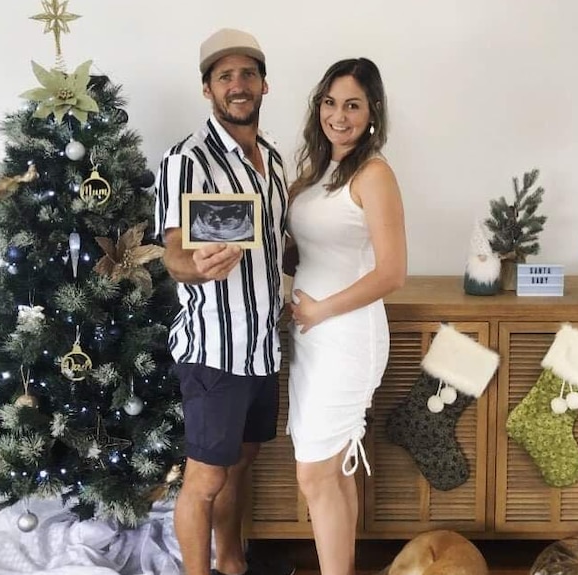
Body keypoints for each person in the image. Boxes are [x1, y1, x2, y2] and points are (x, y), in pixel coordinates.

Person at [154, 27, 292, 575]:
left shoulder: (275, 162)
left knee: (239, 465)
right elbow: (172, 252)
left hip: (262, 348)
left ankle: (232, 565)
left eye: (248, 73)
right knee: (206, 478)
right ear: (208, 89)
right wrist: (196, 266)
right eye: (225, 76)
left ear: (264, 84)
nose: (238, 85)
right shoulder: (186, 159)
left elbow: (279, 246)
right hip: (215, 349)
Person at [286, 58, 407, 575]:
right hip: (311, 337)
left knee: (315, 473)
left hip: (346, 336)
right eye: (331, 102)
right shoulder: (317, 173)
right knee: (332, 472)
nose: (340, 115)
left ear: (372, 112)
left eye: (353, 104)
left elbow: (393, 273)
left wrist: (320, 309)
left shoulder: (374, 173)